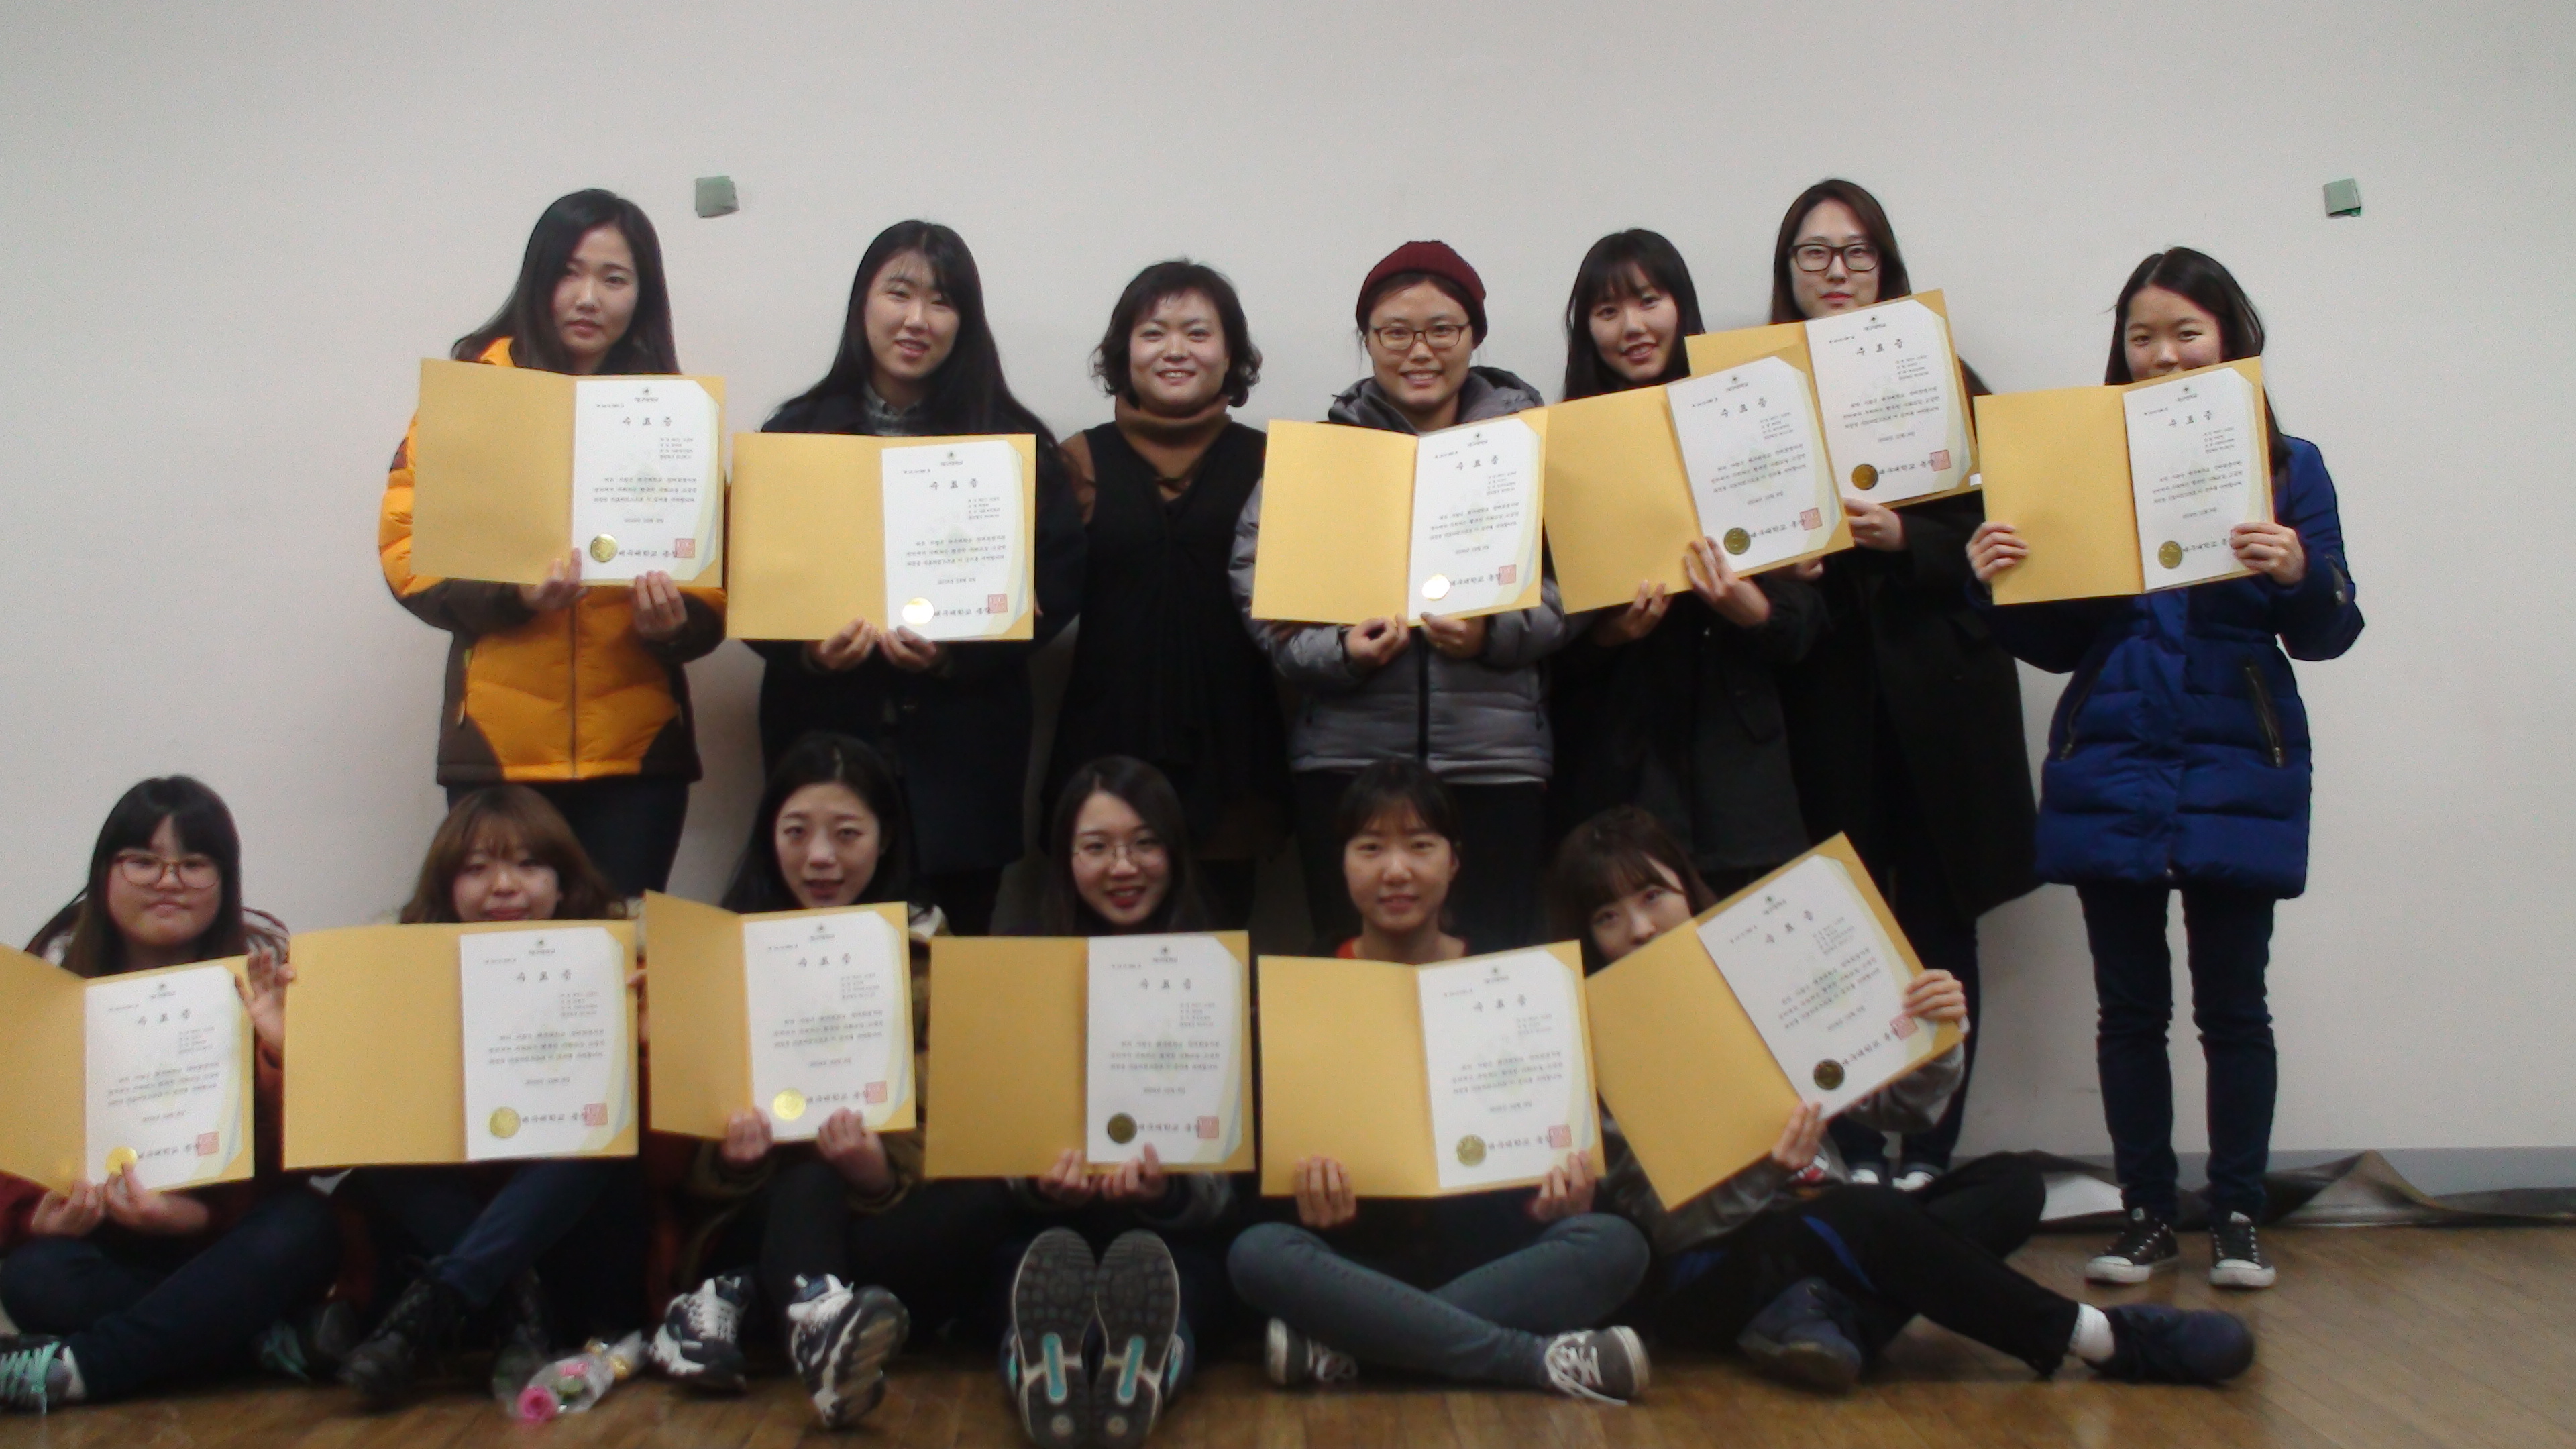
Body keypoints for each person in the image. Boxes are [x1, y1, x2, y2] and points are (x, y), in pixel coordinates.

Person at [1548, 806, 2256, 1390]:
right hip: (1711, 1270)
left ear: (1687, 888)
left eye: (1652, 897)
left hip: (1828, 1223)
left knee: (2011, 1184)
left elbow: (1903, 1112)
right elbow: (1663, 1233)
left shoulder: (1755, 978)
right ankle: (2100, 1337)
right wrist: (1766, 1168)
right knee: (1867, 1210)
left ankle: (1833, 1320)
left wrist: (1934, 1037)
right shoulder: (1602, 1046)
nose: (1640, 928)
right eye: (1609, 916)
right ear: (1589, 936)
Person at [1970, 247, 2363, 1291]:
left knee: (2235, 1007)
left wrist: (2300, 570)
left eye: (2187, 332)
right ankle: (2145, 1216)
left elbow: (2330, 630)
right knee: (2129, 1010)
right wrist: (1996, 583)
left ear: (2231, 340)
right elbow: (2059, 647)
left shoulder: (2290, 466)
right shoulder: (2079, 462)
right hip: (2114, 753)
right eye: (2143, 337)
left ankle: (2236, 1215)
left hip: (2239, 757)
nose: (2164, 354)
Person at [1764, 180, 2038, 1190]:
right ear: (1789, 270)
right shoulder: (1757, 386)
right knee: (1826, 930)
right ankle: (1840, 1148)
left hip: (1937, 699)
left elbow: (2012, 531)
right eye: (1815, 253)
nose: (1836, 272)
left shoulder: (1944, 377)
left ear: (1885, 266)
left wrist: (1904, 541)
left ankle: (1925, 1152)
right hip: (1817, 696)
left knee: (1938, 925)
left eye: (1857, 252)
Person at [1227, 763, 1652, 1404]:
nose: (1396, 871)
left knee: (1615, 1244)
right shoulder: (1302, 986)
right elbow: (1269, 1180)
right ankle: (1531, 1360)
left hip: (1492, 1258)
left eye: (1420, 846)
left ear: (1453, 861)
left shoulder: (1514, 977)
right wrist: (1309, 1204)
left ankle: (1362, 1347)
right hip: (1356, 1262)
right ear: (1342, 863)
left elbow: (1538, 1154)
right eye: (1371, 848)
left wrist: (1551, 1201)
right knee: (1258, 1252)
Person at [649, 732, 1008, 1430]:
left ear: (885, 838)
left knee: (985, 1205)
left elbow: (953, 1123)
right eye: (796, 832)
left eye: (847, 834)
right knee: (808, 1182)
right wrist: (733, 1162)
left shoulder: (931, 953)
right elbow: (683, 1170)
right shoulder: (718, 954)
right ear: (769, 836)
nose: (820, 857)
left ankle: (749, 1302)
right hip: (756, 1213)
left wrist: (876, 1174)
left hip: (877, 1215)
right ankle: (818, 1326)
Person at [378, 189, 726, 896]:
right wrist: (514, 595)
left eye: (614, 278)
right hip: (499, 754)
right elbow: (406, 555)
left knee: (623, 948)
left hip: (637, 755)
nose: (588, 298)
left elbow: (717, 582)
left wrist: (674, 623)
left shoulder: (674, 413)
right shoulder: (472, 395)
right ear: (538, 279)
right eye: (569, 272)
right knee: (507, 947)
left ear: (643, 295)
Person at [1230, 241, 1571, 951]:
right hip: (1347, 764)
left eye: (1442, 329)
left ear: (1474, 335)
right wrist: (1343, 653)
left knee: (1491, 975)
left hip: (1494, 764)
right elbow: (1262, 591)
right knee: (1356, 979)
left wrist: (1490, 635)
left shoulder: (1529, 450)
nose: (1420, 351)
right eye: (1395, 332)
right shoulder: (1320, 457)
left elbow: (1578, 588)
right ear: (1367, 340)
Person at [750, 221, 1087, 937]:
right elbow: (754, 584)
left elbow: (1059, 584)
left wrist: (956, 654)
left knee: (952, 967)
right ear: (862, 305)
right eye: (898, 293)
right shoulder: (794, 437)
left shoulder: (1012, 444)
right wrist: (808, 652)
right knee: (825, 959)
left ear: (965, 321)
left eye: (941, 301)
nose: (917, 319)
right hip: (825, 747)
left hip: (963, 756)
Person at [0, 778, 339, 1413]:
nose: (168, 882)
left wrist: (279, 1048)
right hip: (108, 1249)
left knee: (307, 1225)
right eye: (143, 861)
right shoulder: (45, 992)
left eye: (194, 864)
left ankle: (84, 1369)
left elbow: (316, 1159)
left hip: (224, 1244)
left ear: (225, 881)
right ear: (105, 874)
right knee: (33, 1275)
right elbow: (11, 1153)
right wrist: (34, 1219)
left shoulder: (268, 980)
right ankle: (257, 1344)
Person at [336, 788, 651, 1407]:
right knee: (376, 1140)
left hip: (578, 1235)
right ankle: (515, 1305)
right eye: (477, 869)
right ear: (447, 888)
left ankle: (438, 1304)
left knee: (597, 1128)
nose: (503, 886)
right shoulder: (395, 978)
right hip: (452, 1219)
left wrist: (642, 1047)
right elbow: (336, 1123)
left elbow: (671, 1152)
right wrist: (288, 1042)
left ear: (562, 884)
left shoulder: (623, 967)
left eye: (529, 865)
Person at [1546, 229, 1824, 895]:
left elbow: (1810, 618)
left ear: (1682, 306)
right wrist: (1610, 635)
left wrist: (1754, 611)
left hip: (1739, 760)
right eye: (1608, 311)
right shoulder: (1562, 449)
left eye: (1649, 300)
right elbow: (1544, 642)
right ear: (1586, 330)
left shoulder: (1745, 418)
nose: (1632, 327)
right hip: (1619, 764)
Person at [999, 757, 1240, 1448]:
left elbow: (1229, 1179)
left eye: (1144, 844)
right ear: (1066, 858)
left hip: (1169, 1231)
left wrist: (1168, 1193)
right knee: (1017, 1258)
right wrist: (1039, 1182)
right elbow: (997, 1137)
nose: (1123, 867)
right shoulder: (1024, 973)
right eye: (1097, 847)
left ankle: (1148, 1362)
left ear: (1175, 851)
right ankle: (1042, 1362)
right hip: (1053, 1226)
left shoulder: (1214, 969)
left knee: (1201, 1265)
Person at [1049, 263, 1288, 932]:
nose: (1175, 350)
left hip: (1233, 749)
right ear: (1124, 352)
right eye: (1153, 333)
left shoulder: (1277, 463)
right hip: (1105, 746)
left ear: (1231, 354)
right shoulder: (1077, 461)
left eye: (1197, 333)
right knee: (1099, 960)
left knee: (1218, 956)